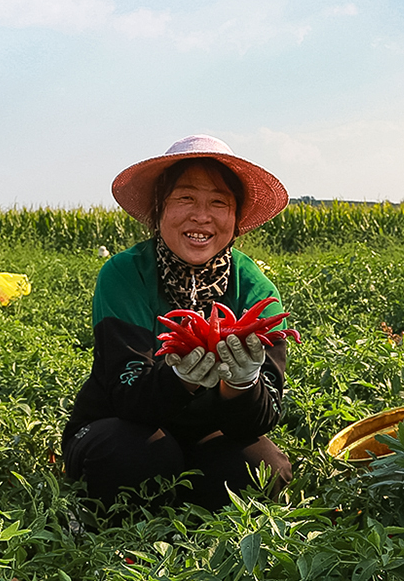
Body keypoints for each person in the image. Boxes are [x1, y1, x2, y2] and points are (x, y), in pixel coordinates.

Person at [62, 134, 294, 512]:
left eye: (219, 202)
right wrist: (180, 378)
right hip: (120, 425)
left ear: (235, 219)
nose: (201, 216)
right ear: (159, 209)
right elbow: (126, 395)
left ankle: (191, 525)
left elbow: (261, 418)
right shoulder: (124, 274)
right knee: (137, 456)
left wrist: (242, 382)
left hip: (208, 436)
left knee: (263, 468)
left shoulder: (255, 288)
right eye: (185, 198)